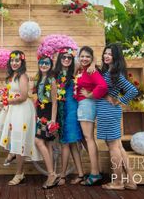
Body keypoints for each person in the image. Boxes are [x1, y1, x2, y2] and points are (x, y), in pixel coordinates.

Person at [0, 50, 41, 185]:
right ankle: (13, 154)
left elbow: (23, 96)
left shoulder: (22, 76)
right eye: (12, 61)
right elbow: (10, 93)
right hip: (13, 109)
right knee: (10, 135)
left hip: (22, 110)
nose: (14, 63)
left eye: (17, 61)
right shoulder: (11, 76)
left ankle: (19, 174)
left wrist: (7, 101)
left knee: (19, 140)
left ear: (22, 62)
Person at [98, 43, 139, 190]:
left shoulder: (115, 74)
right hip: (108, 111)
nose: (106, 56)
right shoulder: (108, 72)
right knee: (119, 146)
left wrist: (119, 100)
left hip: (108, 111)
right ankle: (131, 180)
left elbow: (133, 91)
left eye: (110, 54)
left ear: (116, 57)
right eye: (105, 53)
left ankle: (118, 182)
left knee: (113, 147)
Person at [74, 46, 108, 186]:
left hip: (87, 105)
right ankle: (97, 170)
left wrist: (90, 95)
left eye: (87, 56)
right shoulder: (83, 70)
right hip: (83, 106)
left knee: (88, 138)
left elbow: (103, 86)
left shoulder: (91, 71)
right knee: (85, 138)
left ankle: (94, 174)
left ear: (91, 58)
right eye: (82, 56)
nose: (84, 59)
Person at [54, 47, 86, 186]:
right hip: (61, 111)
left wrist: (72, 52)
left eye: (69, 57)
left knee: (67, 142)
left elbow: (85, 62)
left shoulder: (74, 72)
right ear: (59, 59)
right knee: (72, 144)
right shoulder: (56, 74)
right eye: (63, 57)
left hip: (72, 111)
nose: (66, 59)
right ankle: (81, 174)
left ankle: (62, 175)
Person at [33, 55, 60, 189]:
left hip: (49, 113)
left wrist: (53, 120)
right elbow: (38, 97)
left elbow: (55, 102)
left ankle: (51, 174)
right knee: (47, 144)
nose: (44, 65)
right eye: (41, 63)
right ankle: (52, 174)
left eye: (47, 63)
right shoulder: (39, 78)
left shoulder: (52, 80)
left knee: (38, 141)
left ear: (50, 65)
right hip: (40, 111)